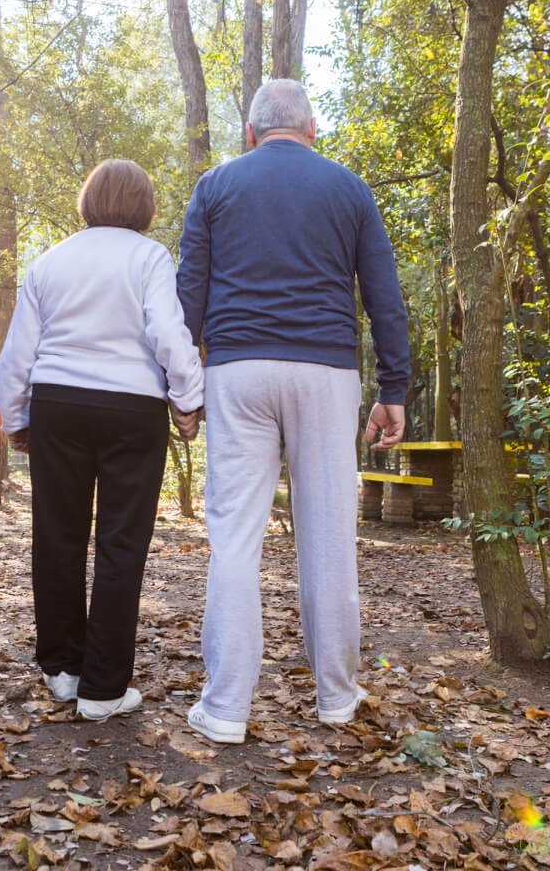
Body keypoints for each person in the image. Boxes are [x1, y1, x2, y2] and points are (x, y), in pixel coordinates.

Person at [176, 79, 410, 744]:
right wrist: (394, 389)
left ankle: (224, 708)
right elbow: (384, 297)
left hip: (236, 371)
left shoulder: (216, 187)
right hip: (326, 372)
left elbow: (188, 293)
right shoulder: (349, 188)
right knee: (330, 535)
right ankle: (336, 697)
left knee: (234, 539)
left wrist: (183, 390)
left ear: (250, 135)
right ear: (312, 130)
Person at [0, 159, 204, 722]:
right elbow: (168, 331)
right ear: (144, 207)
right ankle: (103, 688)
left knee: (57, 536)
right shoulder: (150, 257)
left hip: (59, 406)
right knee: (121, 543)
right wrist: (188, 400)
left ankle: (62, 669)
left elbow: (19, 352)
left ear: (88, 201)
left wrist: (15, 417)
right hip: (131, 410)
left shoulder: (51, 259)